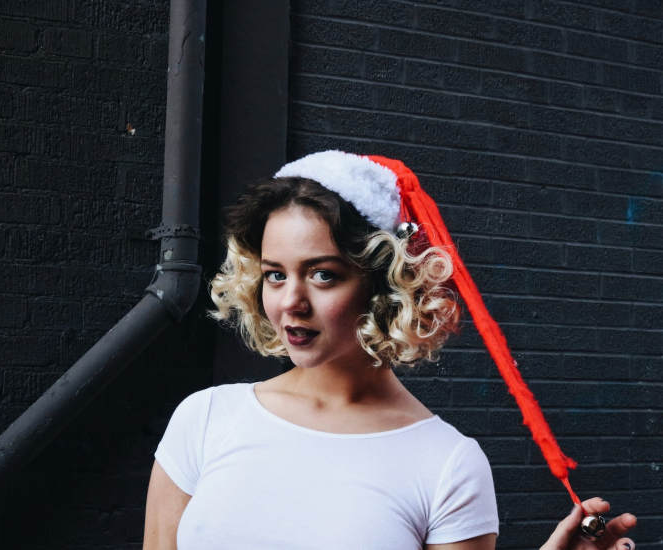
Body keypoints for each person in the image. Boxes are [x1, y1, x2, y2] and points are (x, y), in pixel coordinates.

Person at [143, 151, 637, 550]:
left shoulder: (447, 464)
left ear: (383, 286)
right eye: (276, 274)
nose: (290, 301)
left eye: (322, 274)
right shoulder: (206, 420)